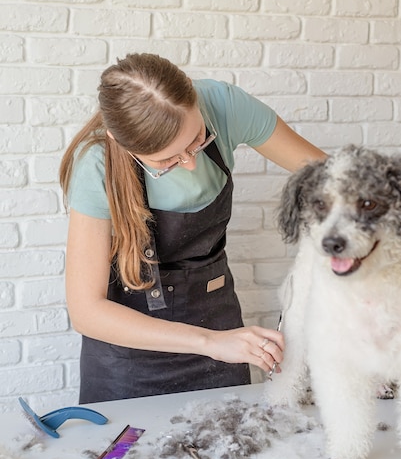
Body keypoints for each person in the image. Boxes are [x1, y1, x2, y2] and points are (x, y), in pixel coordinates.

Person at [60, 52, 326, 404]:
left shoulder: (224, 105)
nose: (189, 164)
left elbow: (334, 182)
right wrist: (209, 342)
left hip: (218, 323)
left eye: (197, 140)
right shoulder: (95, 164)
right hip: (128, 355)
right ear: (120, 142)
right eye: (167, 161)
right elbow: (86, 311)